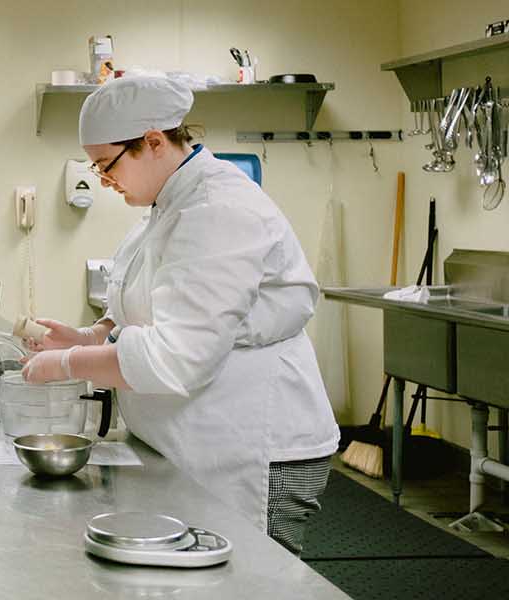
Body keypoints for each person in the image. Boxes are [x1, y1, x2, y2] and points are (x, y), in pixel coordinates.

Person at [21, 76, 338, 554]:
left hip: (252, 446)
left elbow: (174, 356)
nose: (103, 180)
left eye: (107, 165)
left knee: (253, 583)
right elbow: (140, 309)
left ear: (152, 142)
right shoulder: (165, 207)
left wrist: (68, 365)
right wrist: (86, 336)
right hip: (197, 442)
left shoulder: (218, 211)